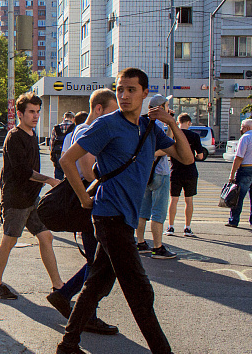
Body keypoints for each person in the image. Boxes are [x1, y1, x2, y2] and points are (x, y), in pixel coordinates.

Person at [55, 68, 193, 354]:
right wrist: (83, 198)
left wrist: (171, 124)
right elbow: (68, 160)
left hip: (126, 218)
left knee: (96, 284)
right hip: (109, 216)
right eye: (120, 89)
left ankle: (67, 345)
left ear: (145, 93)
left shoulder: (150, 129)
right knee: (140, 290)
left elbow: (186, 157)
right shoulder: (107, 124)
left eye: (131, 90)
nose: (124, 95)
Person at [48, 90, 118, 335]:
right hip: (87, 200)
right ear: (98, 109)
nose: (115, 117)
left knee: (97, 260)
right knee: (98, 261)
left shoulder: (76, 130)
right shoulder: (88, 132)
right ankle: (80, 308)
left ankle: (70, 299)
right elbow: (88, 171)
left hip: (81, 199)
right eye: (111, 111)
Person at [0, 92, 64, 300]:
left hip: (31, 200)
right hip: (16, 200)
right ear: (20, 114)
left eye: (38, 112)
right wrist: (49, 180)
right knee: (9, 241)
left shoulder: (31, 135)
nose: (36, 116)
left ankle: (58, 286)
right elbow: (23, 171)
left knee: (45, 236)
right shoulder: (14, 137)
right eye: (31, 112)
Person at [135, 94, 178, 259]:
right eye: (167, 105)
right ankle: (158, 247)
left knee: (142, 211)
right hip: (160, 172)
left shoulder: (143, 123)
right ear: (162, 107)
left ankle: (140, 242)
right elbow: (168, 146)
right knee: (158, 212)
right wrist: (170, 122)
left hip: (145, 173)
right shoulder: (159, 125)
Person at [165, 113, 205, 237]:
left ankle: (170, 227)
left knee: (174, 200)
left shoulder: (174, 136)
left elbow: (167, 152)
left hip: (175, 171)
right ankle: (187, 228)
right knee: (189, 200)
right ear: (189, 123)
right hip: (190, 171)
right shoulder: (194, 136)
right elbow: (200, 155)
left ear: (178, 122)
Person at [227, 118, 252, 228]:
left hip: (245, 169)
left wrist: (232, 174)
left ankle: (234, 220)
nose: (240, 129)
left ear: (247, 128)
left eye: (242, 127)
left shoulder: (245, 137)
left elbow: (238, 157)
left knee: (238, 196)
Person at [51, 111, 76, 179]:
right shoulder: (74, 128)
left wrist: (52, 156)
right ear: (73, 118)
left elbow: (52, 142)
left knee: (58, 178)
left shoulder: (56, 128)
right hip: (69, 155)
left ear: (63, 118)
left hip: (57, 155)